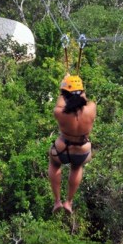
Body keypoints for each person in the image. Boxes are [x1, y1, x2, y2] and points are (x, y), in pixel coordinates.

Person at [48, 74, 96, 215]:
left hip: (62, 148)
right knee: (76, 167)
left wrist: (64, 85)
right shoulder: (91, 108)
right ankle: (68, 202)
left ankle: (57, 201)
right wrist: (78, 87)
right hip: (82, 149)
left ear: (64, 94)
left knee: (54, 163)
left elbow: (61, 101)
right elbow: (84, 99)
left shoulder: (59, 112)